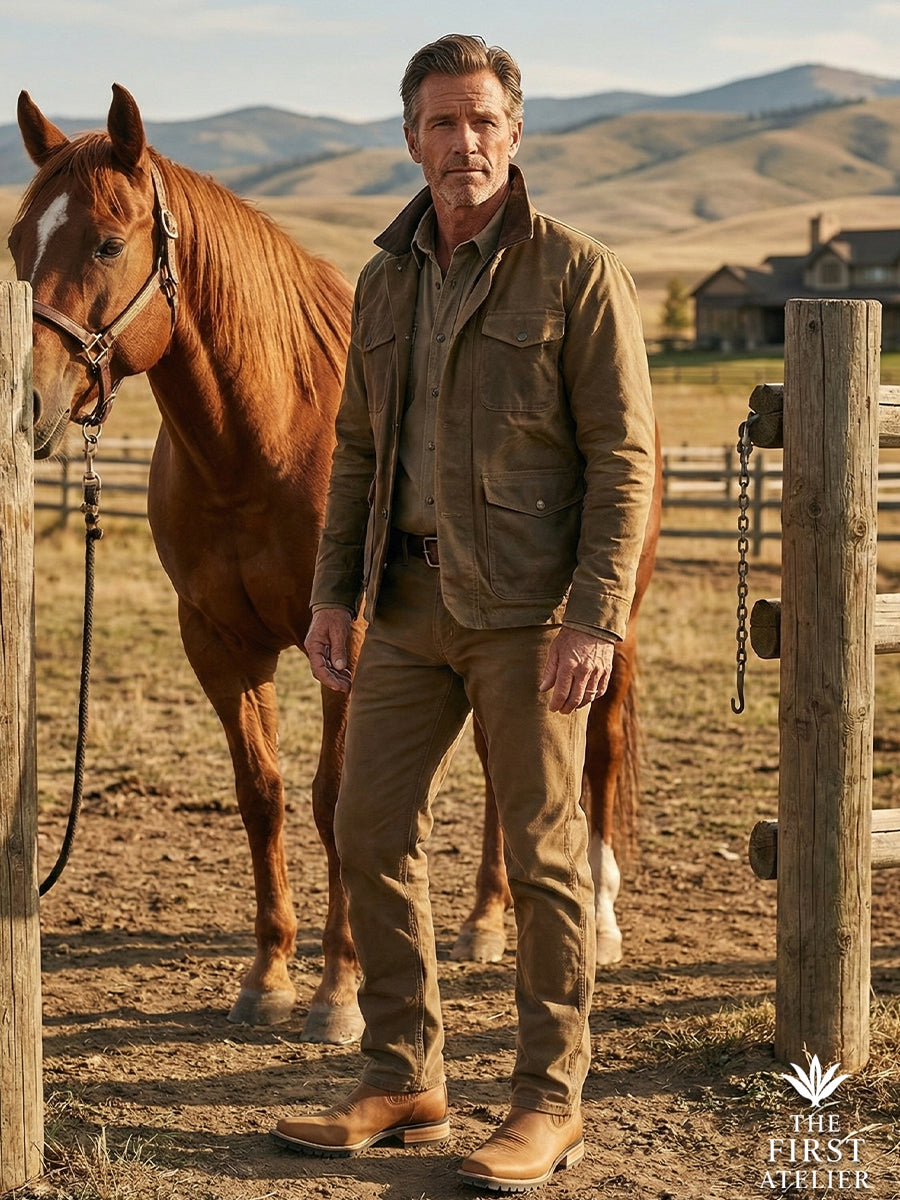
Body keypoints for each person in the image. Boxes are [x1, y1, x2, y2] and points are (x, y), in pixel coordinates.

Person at [272, 33, 656, 1193]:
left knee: (539, 862)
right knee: (366, 829)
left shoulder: (576, 273)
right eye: (441, 123)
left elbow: (624, 460)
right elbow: (354, 453)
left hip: (530, 615)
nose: (463, 143)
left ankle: (549, 1102)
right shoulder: (384, 280)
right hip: (405, 603)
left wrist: (595, 617)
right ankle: (404, 1074)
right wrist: (334, 592)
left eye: (483, 121)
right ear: (411, 139)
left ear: (515, 133)